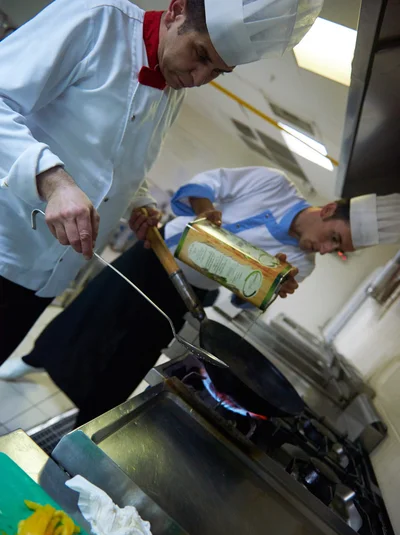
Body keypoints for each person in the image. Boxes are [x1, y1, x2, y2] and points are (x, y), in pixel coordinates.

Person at [0, 0, 324, 367]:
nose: (200, 78)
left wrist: (139, 203)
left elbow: (120, 167)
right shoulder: (98, 19)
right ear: (176, 10)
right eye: (200, 54)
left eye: (218, 72)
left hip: (47, 279)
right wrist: (54, 182)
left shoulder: (173, 94)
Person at [3, 166, 400, 426]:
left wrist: (267, 285)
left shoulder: (301, 263)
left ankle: (90, 419)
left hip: (188, 293)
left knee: (131, 355)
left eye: (338, 249)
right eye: (334, 238)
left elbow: (243, 300)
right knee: (90, 314)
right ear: (328, 209)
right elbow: (211, 183)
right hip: (156, 255)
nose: (327, 249)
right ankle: (34, 359)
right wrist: (207, 210)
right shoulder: (274, 184)